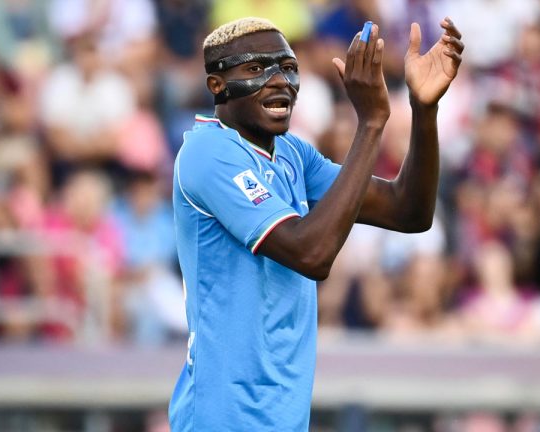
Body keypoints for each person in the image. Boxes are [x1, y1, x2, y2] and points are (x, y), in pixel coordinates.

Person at [169, 16, 463, 431]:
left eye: (288, 68)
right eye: (257, 68)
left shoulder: (292, 155)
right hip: (224, 418)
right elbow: (311, 253)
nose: (280, 81)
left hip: (283, 417)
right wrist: (371, 123)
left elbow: (408, 212)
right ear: (217, 84)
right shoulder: (207, 153)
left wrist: (424, 108)